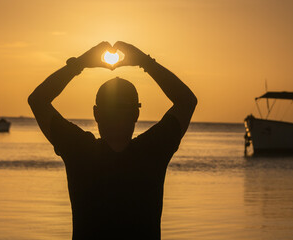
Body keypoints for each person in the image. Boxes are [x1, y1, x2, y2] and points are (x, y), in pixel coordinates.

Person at [28, 41, 197, 240]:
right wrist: (145, 62)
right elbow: (186, 101)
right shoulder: (152, 150)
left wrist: (79, 64)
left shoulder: (80, 150)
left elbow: (38, 100)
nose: (117, 114)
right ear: (136, 113)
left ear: (96, 113)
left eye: (120, 108)